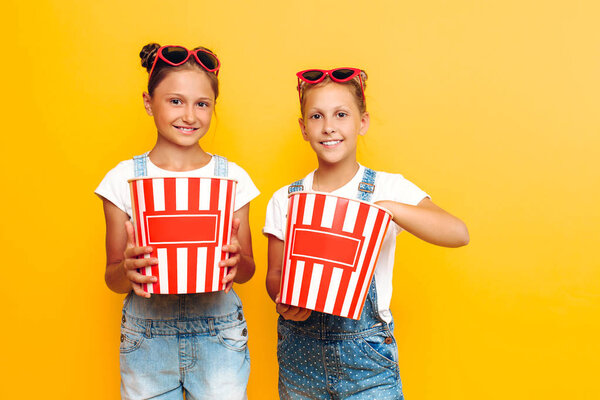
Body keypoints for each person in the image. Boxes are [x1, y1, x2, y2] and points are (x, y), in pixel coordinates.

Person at [264, 68, 469, 399]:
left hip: (368, 361)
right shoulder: (285, 199)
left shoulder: (387, 188)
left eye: (341, 114)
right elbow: (274, 274)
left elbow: (458, 233)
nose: (329, 126)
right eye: (316, 116)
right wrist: (283, 299)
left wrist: (390, 209)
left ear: (362, 122)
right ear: (303, 128)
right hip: (300, 361)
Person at [95, 43, 259, 400]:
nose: (189, 115)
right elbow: (113, 277)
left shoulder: (232, 178)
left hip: (220, 335)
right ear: (148, 102)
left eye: (202, 104)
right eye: (175, 101)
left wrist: (236, 261)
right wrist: (129, 267)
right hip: (146, 339)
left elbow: (247, 270)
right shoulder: (121, 180)